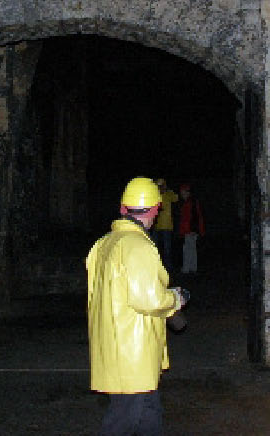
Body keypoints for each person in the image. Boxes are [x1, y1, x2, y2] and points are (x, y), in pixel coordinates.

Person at [86, 177, 189, 436]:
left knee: (149, 416)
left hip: (113, 346)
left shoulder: (103, 245)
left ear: (123, 208)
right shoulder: (138, 246)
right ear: (155, 209)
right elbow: (149, 299)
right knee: (122, 421)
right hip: (133, 354)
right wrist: (176, 299)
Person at [176, 183, 205, 275]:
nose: (182, 194)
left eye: (183, 192)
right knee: (191, 249)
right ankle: (193, 267)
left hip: (190, 230)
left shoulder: (191, 203)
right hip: (189, 230)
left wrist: (194, 230)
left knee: (187, 249)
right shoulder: (188, 202)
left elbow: (195, 217)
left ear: (187, 192)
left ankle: (186, 268)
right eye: (181, 193)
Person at [151, 178, 178, 273]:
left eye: (162, 186)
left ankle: (168, 267)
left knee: (167, 249)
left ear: (165, 186)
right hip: (156, 225)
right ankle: (155, 265)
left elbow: (176, 198)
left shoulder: (169, 194)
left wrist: (168, 190)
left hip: (167, 225)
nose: (160, 188)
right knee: (154, 247)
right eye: (158, 186)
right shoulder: (155, 195)